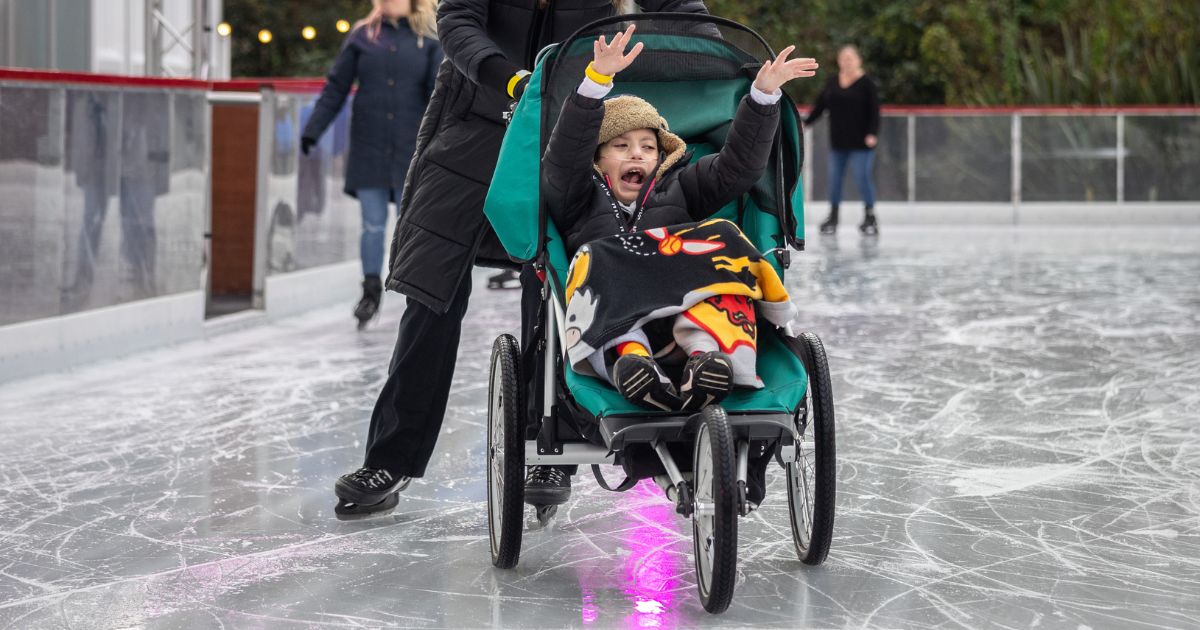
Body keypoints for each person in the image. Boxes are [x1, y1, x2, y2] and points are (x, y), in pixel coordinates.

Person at [333, 0, 711, 519]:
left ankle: (547, 448)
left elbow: (679, 9)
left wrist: (714, 45)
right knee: (431, 296)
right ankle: (391, 456)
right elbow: (458, 18)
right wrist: (510, 80)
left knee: (555, 290)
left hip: (565, 131)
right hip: (472, 126)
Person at [544, 26, 814, 412]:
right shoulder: (578, 194)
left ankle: (706, 360)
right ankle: (632, 361)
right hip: (614, 315)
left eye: (648, 147)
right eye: (621, 146)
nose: (637, 155)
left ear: (661, 157)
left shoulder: (681, 187)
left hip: (680, 306)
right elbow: (563, 158)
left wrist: (763, 96)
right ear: (599, 158)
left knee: (721, 239)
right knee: (594, 257)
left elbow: (736, 169)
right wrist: (595, 81)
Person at [301, 0, 443, 329]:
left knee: (411, 225)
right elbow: (336, 87)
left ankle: (415, 292)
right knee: (373, 224)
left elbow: (439, 94)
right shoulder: (363, 37)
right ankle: (370, 292)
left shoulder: (429, 40)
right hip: (370, 147)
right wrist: (313, 130)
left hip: (412, 148)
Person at [804, 44, 881, 236]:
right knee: (834, 180)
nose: (847, 61)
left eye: (851, 58)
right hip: (838, 141)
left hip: (861, 143)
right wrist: (806, 123)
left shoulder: (867, 84)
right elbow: (820, 106)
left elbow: (874, 111)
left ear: (858, 60)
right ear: (839, 61)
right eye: (844, 58)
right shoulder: (832, 82)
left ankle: (870, 215)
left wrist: (872, 133)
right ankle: (833, 216)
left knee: (863, 178)